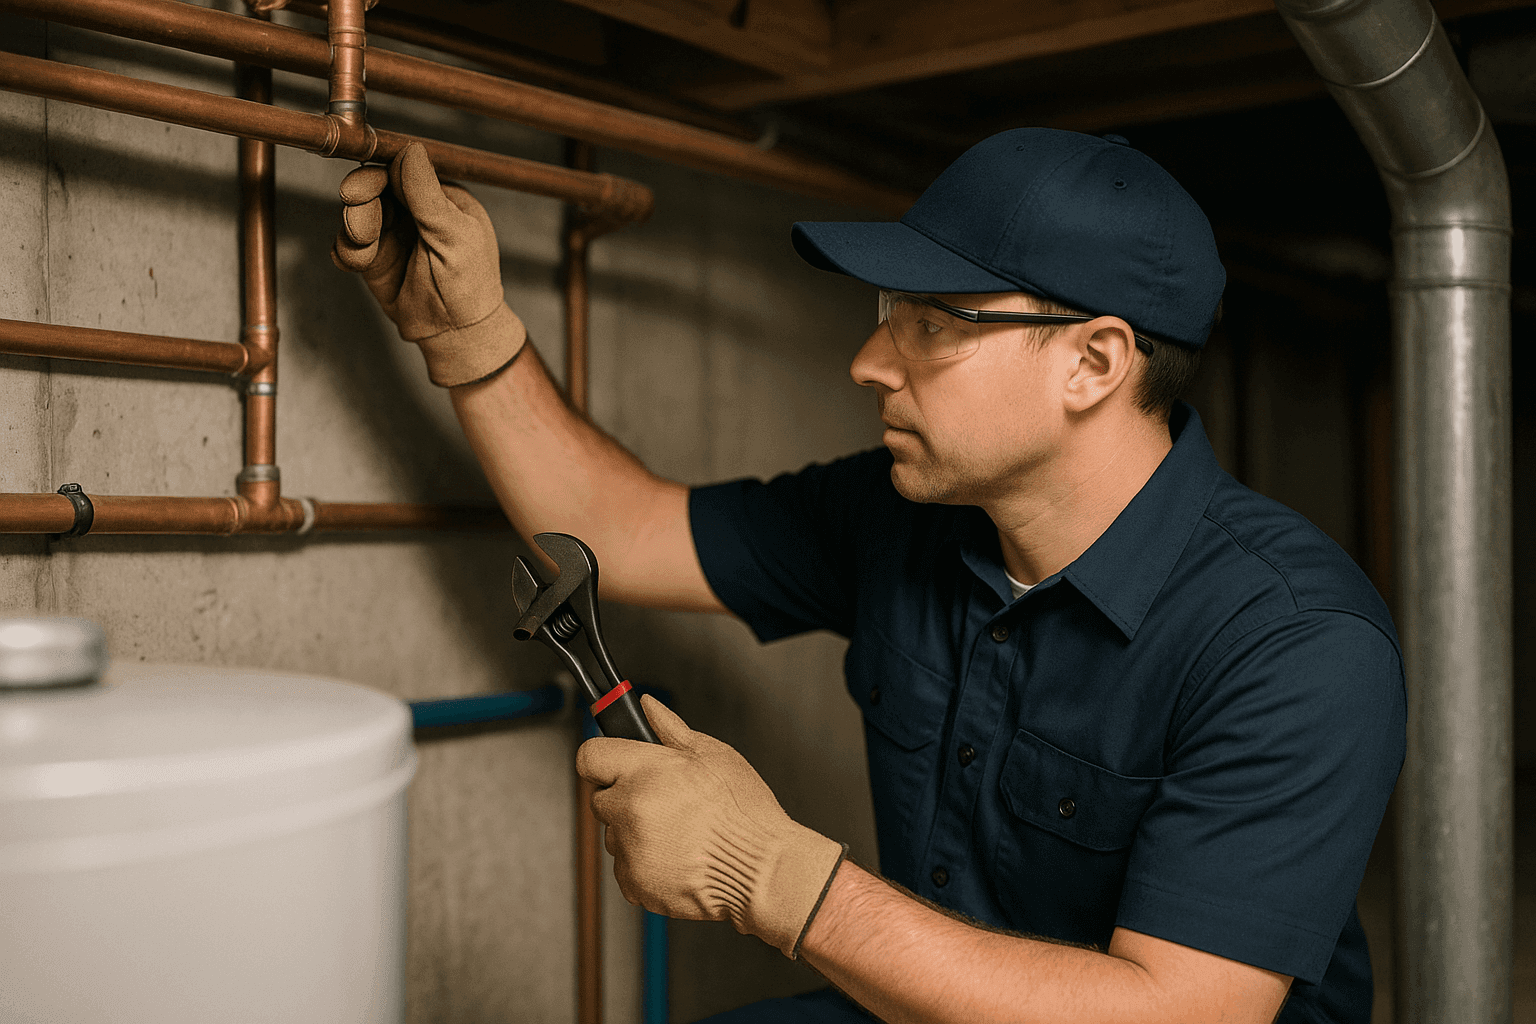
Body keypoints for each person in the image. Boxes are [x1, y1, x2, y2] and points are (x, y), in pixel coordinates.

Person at [333, 129, 1405, 1024]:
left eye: (933, 325)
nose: (869, 360)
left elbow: (1176, 1012)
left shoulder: (1295, 643)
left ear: (1095, 361)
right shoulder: (906, 516)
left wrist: (775, 874)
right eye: (889, 311)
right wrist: (470, 335)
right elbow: (623, 526)